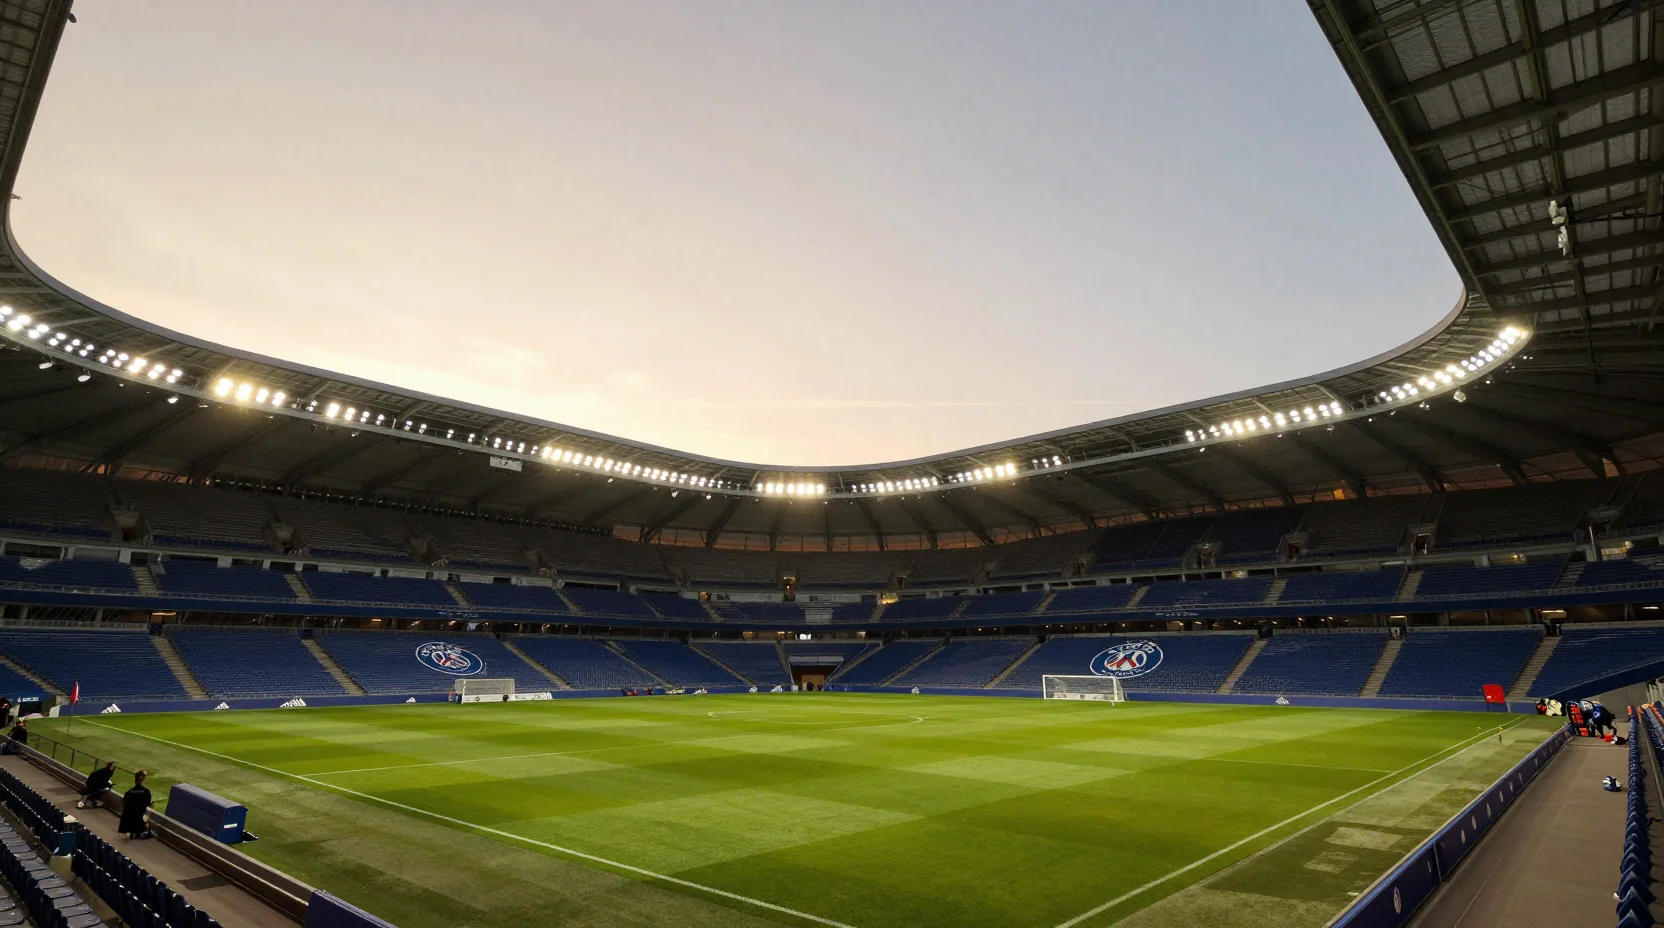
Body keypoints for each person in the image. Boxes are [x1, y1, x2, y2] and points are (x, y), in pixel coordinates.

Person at [119, 770, 152, 839]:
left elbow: (124, 802)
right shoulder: (146, 791)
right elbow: (147, 803)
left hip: (129, 816)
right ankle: (140, 831)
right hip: (139, 816)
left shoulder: (129, 792)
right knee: (146, 816)